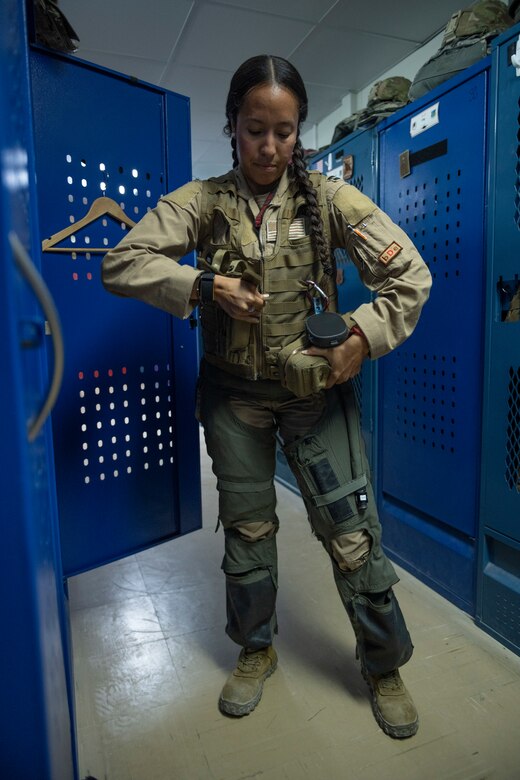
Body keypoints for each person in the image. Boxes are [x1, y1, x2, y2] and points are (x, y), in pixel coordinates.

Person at [102, 54, 432, 739]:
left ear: (298, 133)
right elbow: (122, 262)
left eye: (285, 132)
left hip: (317, 397)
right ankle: (256, 650)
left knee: (352, 536)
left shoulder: (333, 201)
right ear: (232, 126)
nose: (270, 147)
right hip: (234, 401)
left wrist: (357, 342)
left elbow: (412, 280)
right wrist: (202, 286)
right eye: (256, 129)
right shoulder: (201, 202)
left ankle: (383, 665)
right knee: (250, 532)